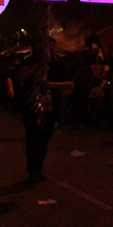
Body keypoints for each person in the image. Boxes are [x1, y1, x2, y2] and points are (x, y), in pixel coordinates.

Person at [18, 38, 74, 183]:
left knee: (44, 140)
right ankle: (32, 169)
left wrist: (51, 85)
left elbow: (70, 84)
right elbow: (23, 74)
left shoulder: (58, 64)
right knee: (32, 138)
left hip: (51, 106)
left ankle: (38, 168)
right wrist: (41, 63)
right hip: (31, 106)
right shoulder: (29, 60)